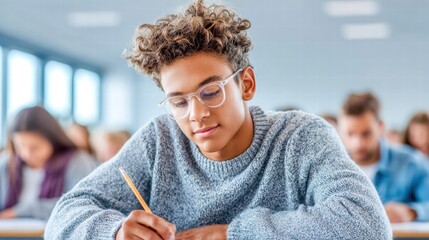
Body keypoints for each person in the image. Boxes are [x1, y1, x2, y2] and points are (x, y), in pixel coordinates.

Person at [45, 1, 391, 239]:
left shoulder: (301, 137)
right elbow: (65, 215)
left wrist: (232, 233)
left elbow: (369, 225)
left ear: (247, 84)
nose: (196, 114)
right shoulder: (159, 141)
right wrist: (115, 231)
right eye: (179, 101)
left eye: (210, 92)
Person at [337, 92, 429, 223]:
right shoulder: (331, 169)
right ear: (339, 130)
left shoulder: (412, 163)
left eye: (366, 133)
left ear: (380, 126)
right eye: (350, 134)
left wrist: (411, 212)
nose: (358, 143)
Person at [0, 106, 97, 220]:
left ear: (53, 140)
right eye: (20, 146)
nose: (26, 154)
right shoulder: (7, 163)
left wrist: (21, 211)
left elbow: (79, 203)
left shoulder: (78, 161)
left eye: (35, 147)